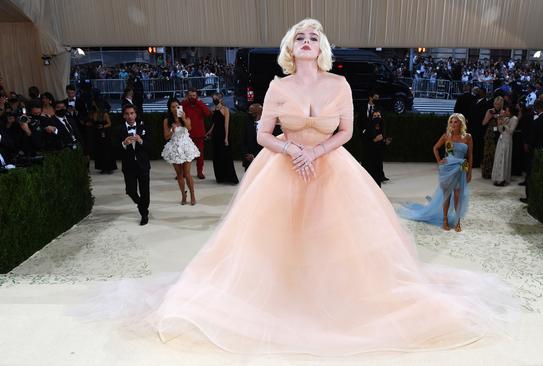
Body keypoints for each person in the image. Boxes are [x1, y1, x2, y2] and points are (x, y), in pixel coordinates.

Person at [84, 18, 515, 355]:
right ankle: (280, 301)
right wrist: (292, 151)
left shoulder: (339, 84)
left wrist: (317, 150)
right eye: (300, 36)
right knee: (275, 240)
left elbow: (346, 131)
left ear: (321, 48)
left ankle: (335, 304)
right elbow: (262, 135)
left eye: (314, 36)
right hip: (282, 168)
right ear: (291, 49)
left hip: (332, 166)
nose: (307, 39)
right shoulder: (277, 85)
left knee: (338, 239)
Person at [398, 113, 473, 231]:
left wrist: (469, 172)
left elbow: (470, 155)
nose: (453, 124)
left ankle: (458, 222)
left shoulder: (467, 137)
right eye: (451, 122)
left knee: (459, 196)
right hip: (448, 168)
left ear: (461, 123)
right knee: (447, 195)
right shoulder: (447, 136)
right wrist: (439, 161)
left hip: (462, 168)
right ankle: (444, 220)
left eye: (456, 122)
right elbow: (435, 148)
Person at [161, 98, 200, 205]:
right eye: (172, 107)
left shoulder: (185, 117)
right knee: (179, 175)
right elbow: (166, 137)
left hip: (186, 147)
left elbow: (190, 128)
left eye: (177, 106)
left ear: (180, 107)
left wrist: (183, 118)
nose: (175, 108)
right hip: (174, 148)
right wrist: (172, 130)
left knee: (187, 174)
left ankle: (192, 194)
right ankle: (183, 195)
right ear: (169, 108)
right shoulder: (166, 121)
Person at [118, 104, 150, 225]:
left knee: (145, 192)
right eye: (127, 114)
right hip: (128, 166)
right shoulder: (119, 129)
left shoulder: (143, 128)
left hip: (143, 165)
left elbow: (150, 146)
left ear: (135, 114)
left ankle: (144, 214)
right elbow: (114, 148)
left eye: (132, 113)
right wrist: (123, 143)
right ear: (123, 115)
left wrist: (141, 140)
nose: (130, 116)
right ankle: (142, 206)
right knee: (130, 190)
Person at [206, 92, 239, 184]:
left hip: (223, 134)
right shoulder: (213, 109)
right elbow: (214, 123)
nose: (214, 100)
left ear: (220, 99)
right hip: (215, 135)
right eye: (213, 98)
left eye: (215, 98)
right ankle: (220, 177)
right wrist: (210, 131)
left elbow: (226, 124)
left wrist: (226, 138)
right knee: (217, 156)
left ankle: (230, 178)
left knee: (226, 156)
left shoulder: (225, 109)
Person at [491, 104, 519, 186]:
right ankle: (497, 178)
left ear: (511, 111)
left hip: (507, 141)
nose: (505, 112)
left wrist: (504, 124)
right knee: (499, 157)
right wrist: (499, 123)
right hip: (501, 139)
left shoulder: (514, 119)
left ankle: (502, 179)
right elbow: (500, 130)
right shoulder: (506, 118)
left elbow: (511, 131)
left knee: (504, 159)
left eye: (507, 110)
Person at [87, 99, 116, 174]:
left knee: (107, 150)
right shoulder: (93, 114)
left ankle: (109, 168)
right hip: (97, 134)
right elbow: (92, 123)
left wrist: (103, 126)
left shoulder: (105, 114)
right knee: (100, 151)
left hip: (105, 134)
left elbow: (109, 124)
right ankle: (102, 167)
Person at [481, 96, 504, 179]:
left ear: (501, 104)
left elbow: (502, 125)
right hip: (490, 134)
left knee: (496, 154)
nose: (497, 105)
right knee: (488, 153)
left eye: (498, 104)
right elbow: (484, 123)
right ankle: (487, 172)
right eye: (495, 104)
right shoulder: (490, 111)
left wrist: (499, 118)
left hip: (499, 134)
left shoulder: (503, 112)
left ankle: (496, 172)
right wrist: (490, 116)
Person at [241, 103, 264, 170]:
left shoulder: (266, 125)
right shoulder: (247, 123)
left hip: (261, 158)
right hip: (248, 159)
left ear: (259, 112)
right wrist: (246, 155)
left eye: (252, 112)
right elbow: (243, 140)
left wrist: (254, 156)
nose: (250, 113)